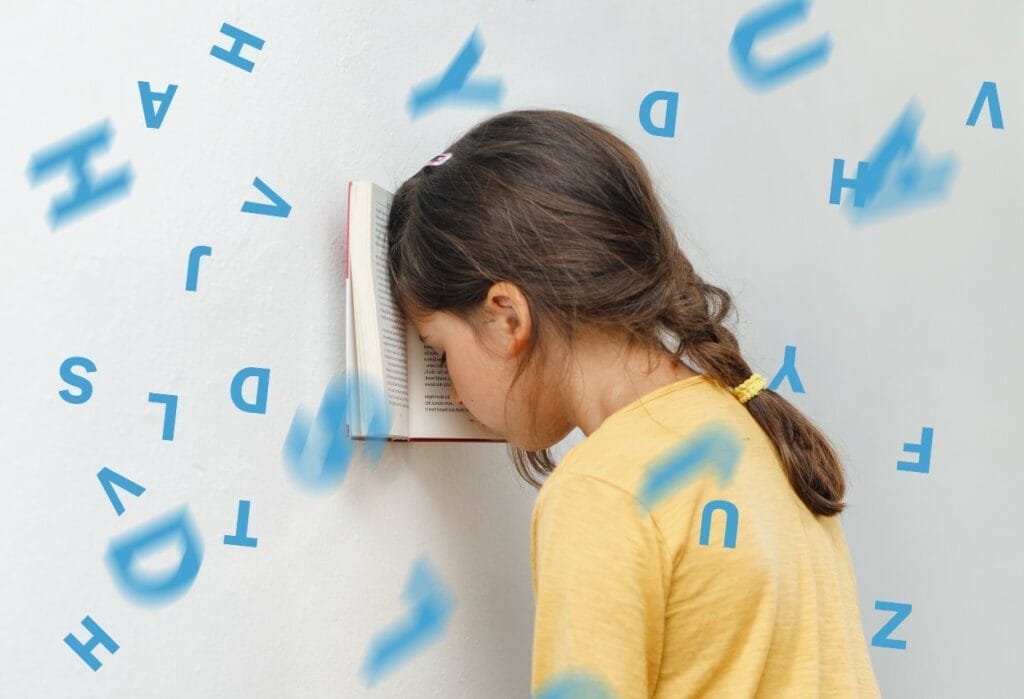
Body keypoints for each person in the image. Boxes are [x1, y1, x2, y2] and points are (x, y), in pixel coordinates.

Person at [385, 109, 881, 698]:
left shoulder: (604, 492)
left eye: (440, 354)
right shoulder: (752, 428)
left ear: (505, 317)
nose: (455, 391)